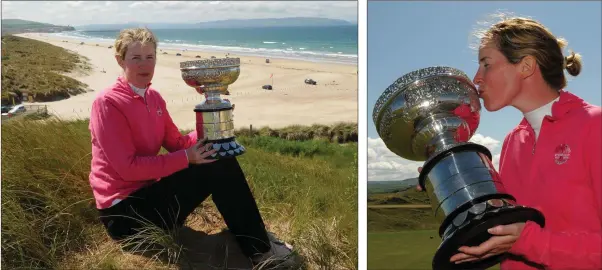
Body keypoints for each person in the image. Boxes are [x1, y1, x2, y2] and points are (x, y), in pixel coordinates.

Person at [88, 28, 295, 268]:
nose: (144, 65)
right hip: (125, 215)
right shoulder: (108, 103)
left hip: (151, 199)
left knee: (218, 156)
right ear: (120, 60)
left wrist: (213, 115)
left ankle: (255, 237)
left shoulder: (153, 98)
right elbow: (128, 169)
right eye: (136, 58)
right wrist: (187, 158)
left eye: (150, 57)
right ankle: (261, 251)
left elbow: (177, 143)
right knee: (213, 166)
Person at [419, 15, 600, 269]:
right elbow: (505, 226)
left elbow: (526, 240)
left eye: (486, 64)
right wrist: (445, 174)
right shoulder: (513, 141)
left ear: (526, 66)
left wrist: (527, 241)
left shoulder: (594, 125)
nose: (476, 78)